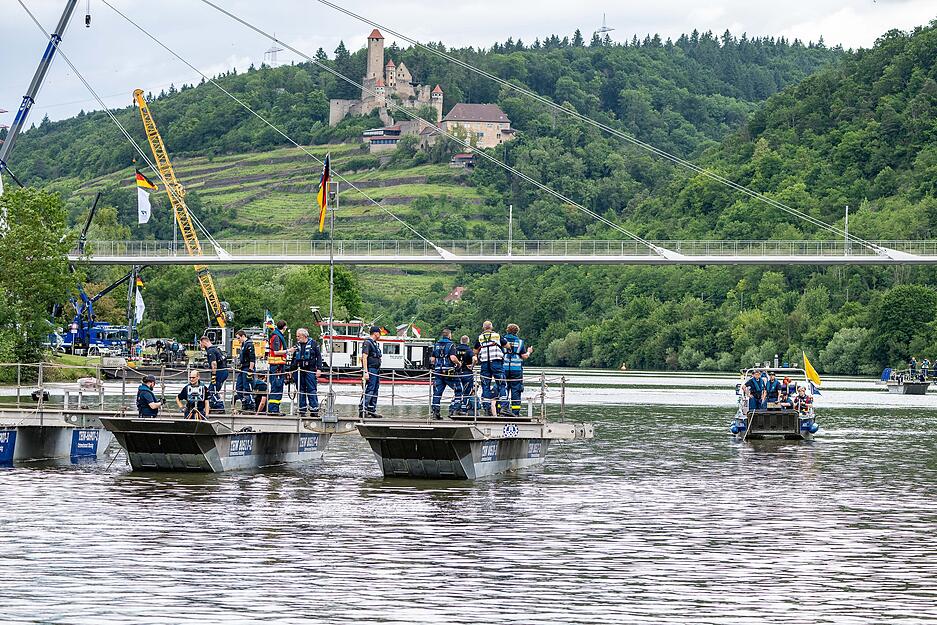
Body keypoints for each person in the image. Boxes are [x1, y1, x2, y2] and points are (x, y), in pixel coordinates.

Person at [474, 320, 508, 417]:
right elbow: (507, 345)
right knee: (501, 384)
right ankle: (504, 407)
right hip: (496, 362)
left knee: (485, 386)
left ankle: (487, 408)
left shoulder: (480, 337)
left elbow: (475, 350)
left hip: (484, 363)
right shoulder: (497, 336)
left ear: (483, 328)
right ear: (491, 327)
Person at [290, 328, 322, 417]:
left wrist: (319, 369)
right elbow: (293, 358)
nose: (297, 338)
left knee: (311, 389)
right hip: (299, 370)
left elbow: (319, 357)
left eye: (298, 336)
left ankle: (314, 409)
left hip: (310, 370)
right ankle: (301, 409)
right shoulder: (297, 345)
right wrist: (291, 371)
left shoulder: (314, 344)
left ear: (304, 336)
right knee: (300, 390)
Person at [502, 323, 532, 417]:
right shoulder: (520, 342)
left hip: (504, 368)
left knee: (503, 389)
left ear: (507, 330)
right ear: (517, 332)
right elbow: (524, 356)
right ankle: (515, 413)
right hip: (516, 370)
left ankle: (502, 410)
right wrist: (529, 352)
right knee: (516, 390)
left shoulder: (501, 340)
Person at [430, 328, 460, 419]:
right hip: (448, 371)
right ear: (449, 335)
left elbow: (432, 360)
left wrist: (437, 365)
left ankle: (435, 413)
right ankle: (455, 410)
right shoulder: (451, 345)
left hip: (438, 371)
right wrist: (458, 363)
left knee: (437, 392)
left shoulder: (436, 345)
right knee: (459, 389)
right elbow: (453, 358)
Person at [358, 326, 383, 418]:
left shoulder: (375, 344)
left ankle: (371, 410)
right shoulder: (367, 342)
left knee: (375, 389)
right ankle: (363, 409)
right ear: (375, 333)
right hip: (371, 369)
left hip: (376, 370)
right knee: (370, 389)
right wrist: (365, 372)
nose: (380, 335)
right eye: (379, 333)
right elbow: (364, 357)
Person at [267, 320, 290, 414]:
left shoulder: (275, 335)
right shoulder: (276, 337)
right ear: (284, 327)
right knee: (276, 386)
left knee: (277, 386)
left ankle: (274, 409)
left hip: (278, 365)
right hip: (277, 365)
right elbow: (276, 352)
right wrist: (289, 350)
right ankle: (273, 409)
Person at [201, 335, 228, 411]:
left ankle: (219, 407)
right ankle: (213, 406)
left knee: (212, 390)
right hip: (224, 371)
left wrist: (213, 375)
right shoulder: (217, 349)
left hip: (219, 372)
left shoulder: (210, 351)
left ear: (204, 342)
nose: (201, 346)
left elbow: (214, 364)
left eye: (201, 344)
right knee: (212, 389)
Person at [234, 330, 256, 412]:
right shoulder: (243, 344)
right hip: (243, 368)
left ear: (243, 336)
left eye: (238, 338)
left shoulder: (249, 344)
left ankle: (250, 405)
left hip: (247, 368)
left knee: (247, 387)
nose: (238, 340)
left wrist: (250, 370)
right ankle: (244, 401)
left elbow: (252, 358)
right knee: (238, 387)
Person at [454, 335, 475, 415]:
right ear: (468, 341)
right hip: (467, 373)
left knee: (458, 391)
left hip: (457, 373)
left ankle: (455, 408)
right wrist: (472, 366)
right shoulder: (469, 350)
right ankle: (463, 408)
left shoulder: (456, 349)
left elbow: (452, 358)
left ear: (460, 341)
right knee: (467, 392)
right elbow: (475, 359)